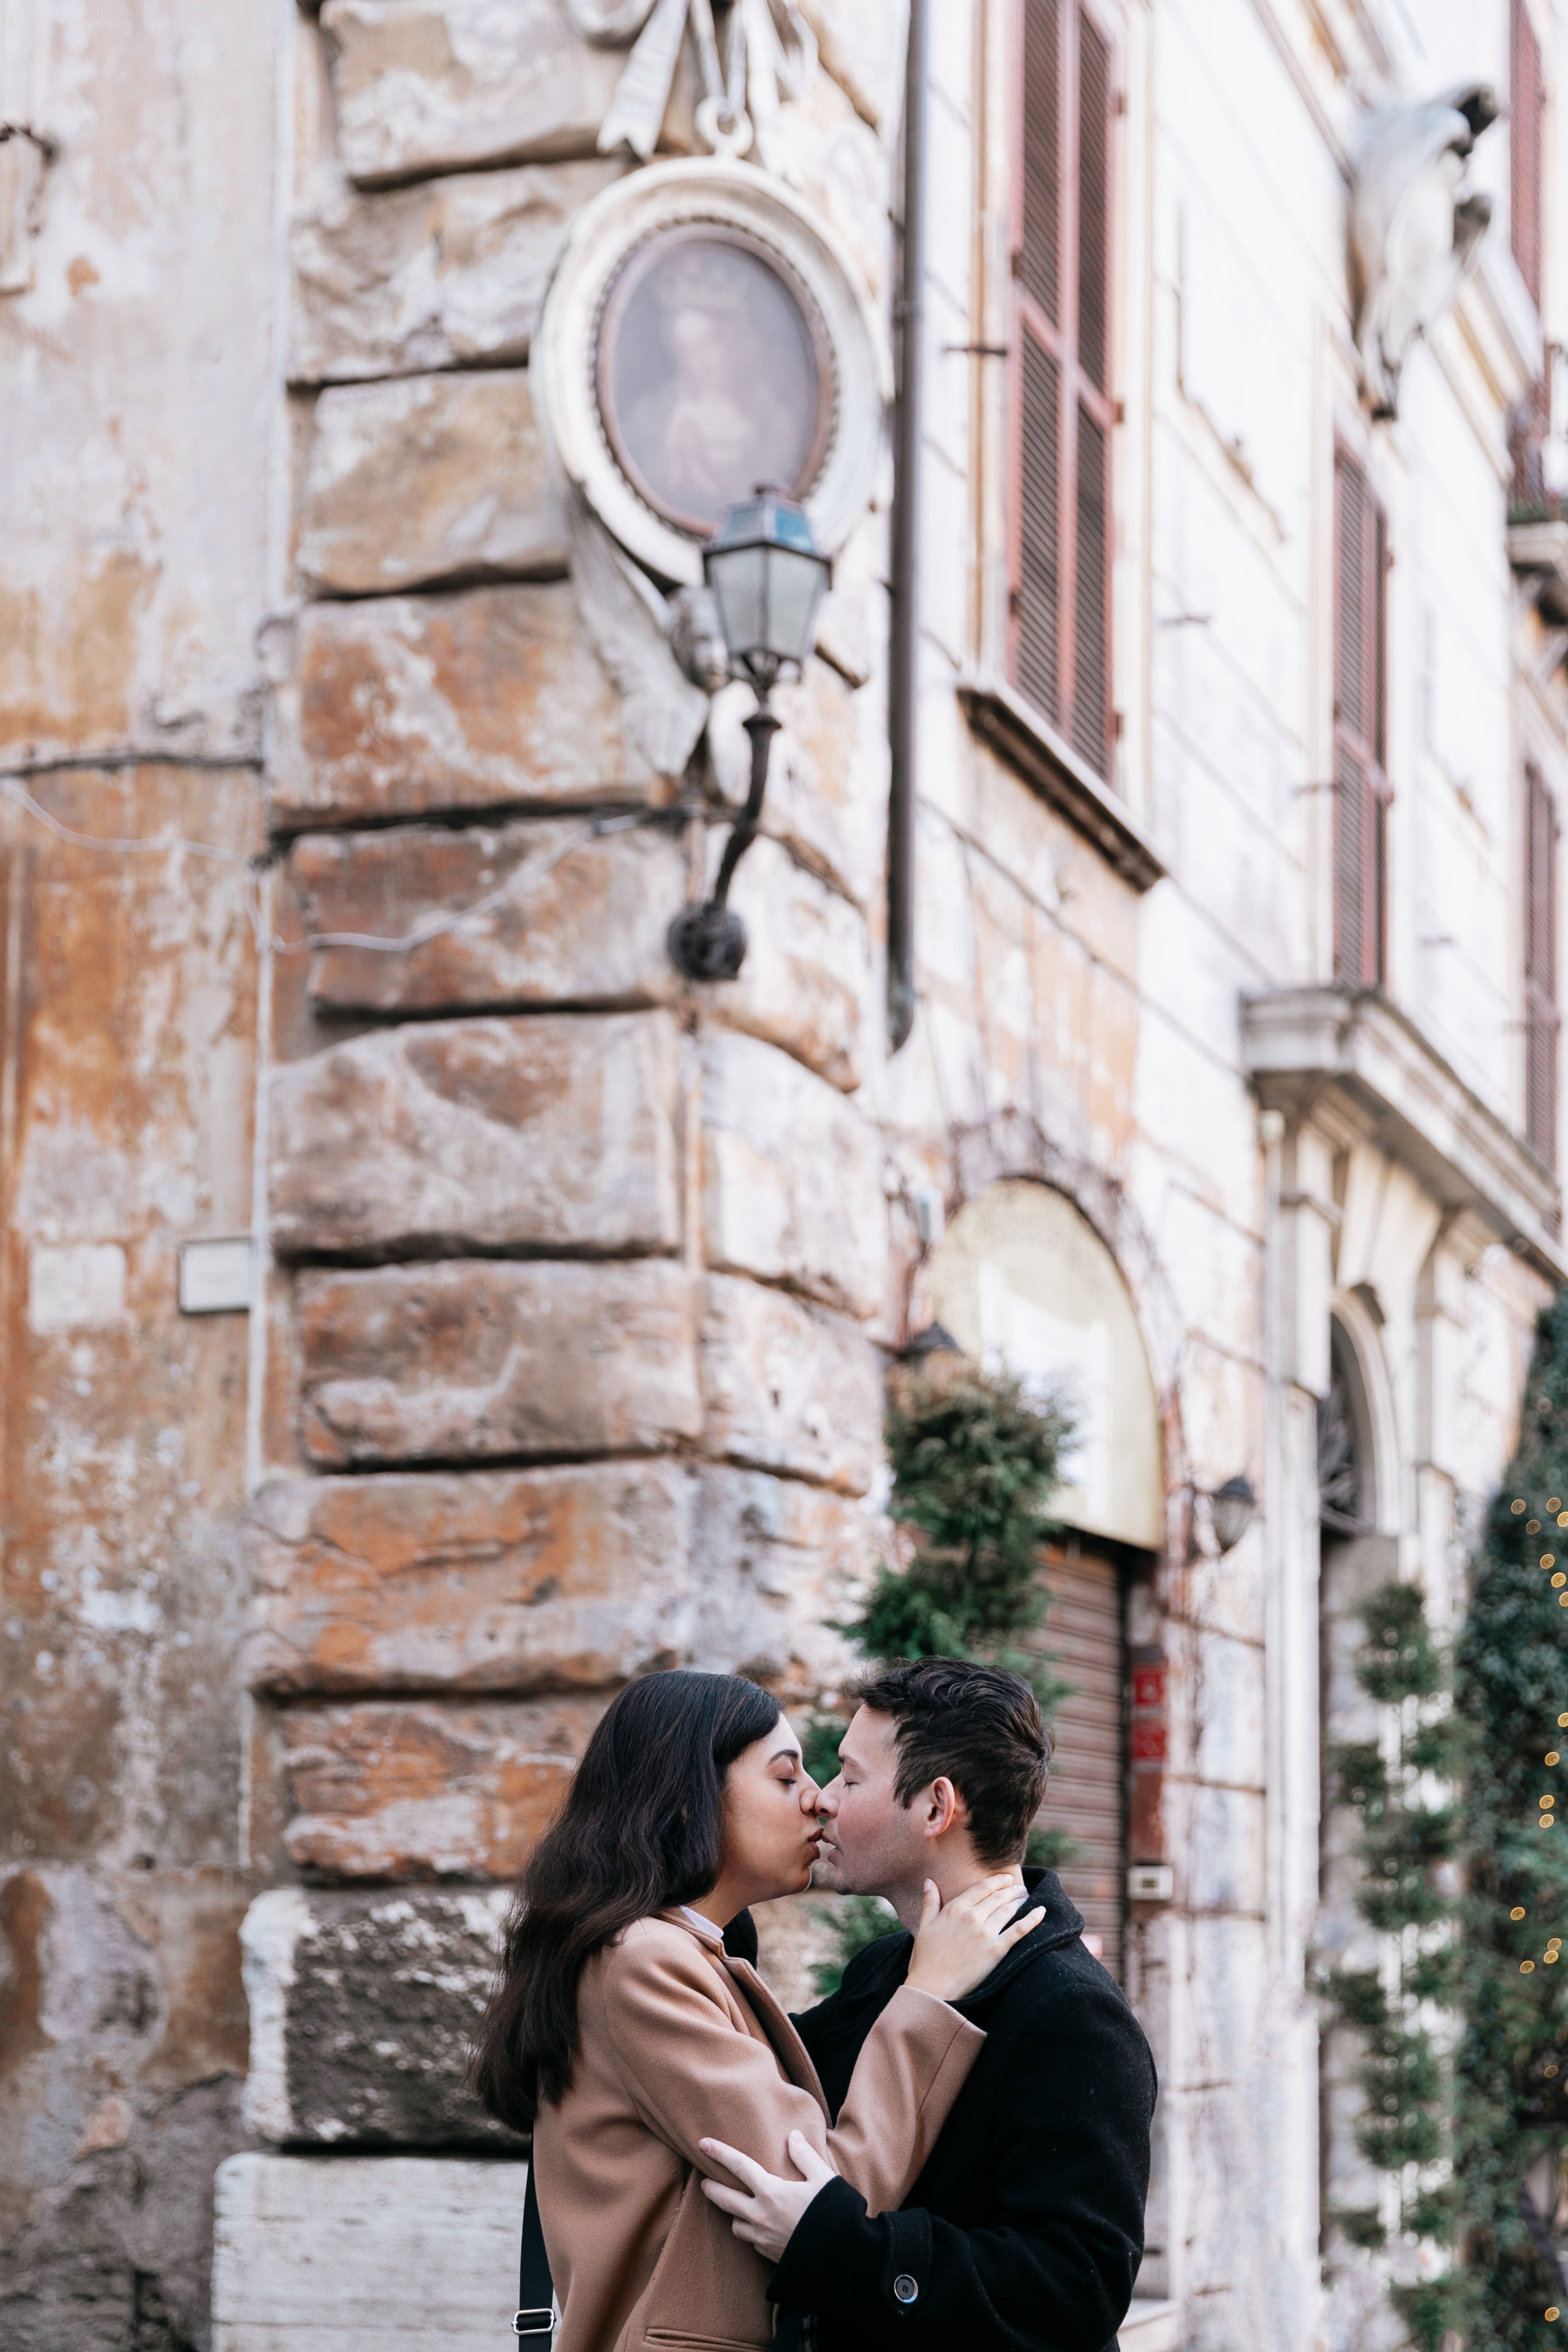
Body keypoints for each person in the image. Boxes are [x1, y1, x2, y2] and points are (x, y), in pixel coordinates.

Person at [469, 1669, 1047, 2352]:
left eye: (832, 1778)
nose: (819, 1803)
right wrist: (927, 1997)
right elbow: (829, 2191)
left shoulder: (685, 1954)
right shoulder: (643, 1962)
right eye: (785, 1777)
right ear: (687, 1803)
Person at [696, 1658, 1158, 2352]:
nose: (822, 1799)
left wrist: (847, 2249)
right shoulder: (888, 1970)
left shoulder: (1068, 2012)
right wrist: (713, 1888)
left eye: (850, 1778)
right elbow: (763, 2080)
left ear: (936, 1808)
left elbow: (1078, 2286)